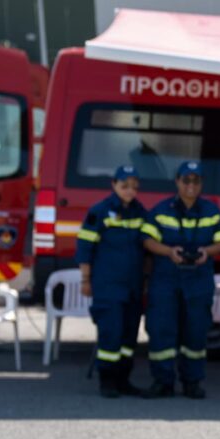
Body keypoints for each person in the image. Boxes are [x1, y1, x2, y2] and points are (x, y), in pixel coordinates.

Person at [140, 160, 220, 399]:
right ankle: (162, 382)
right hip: (166, 279)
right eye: (186, 180)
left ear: (200, 183)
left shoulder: (211, 211)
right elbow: (146, 240)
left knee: (196, 332)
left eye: (195, 180)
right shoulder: (161, 210)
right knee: (161, 330)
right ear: (177, 182)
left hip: (198, 280)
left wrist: (206, 253)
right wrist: (169, 252)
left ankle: (192, 382)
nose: (191, 185)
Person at [75, 165, 147, 398]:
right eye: (124, 186)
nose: (129, 191)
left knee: (128, 337)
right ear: (114, 185)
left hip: (132, 286)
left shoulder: (140, 212)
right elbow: (85, 248)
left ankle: (123, 380)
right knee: (111, 333)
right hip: (108, 285)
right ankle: (106, 381)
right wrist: (85, 279)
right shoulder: (100, 211)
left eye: (134, 187)